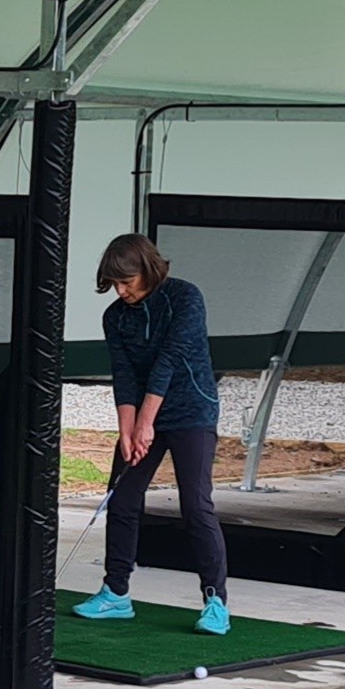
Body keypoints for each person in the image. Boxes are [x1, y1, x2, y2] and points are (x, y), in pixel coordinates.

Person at [74, 233, 232, 636]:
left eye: (127, 281)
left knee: (195, 504)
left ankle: (216, 602)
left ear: (148, 269)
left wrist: (146, 423)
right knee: (123, 498)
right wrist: (127, 431)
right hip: (144, 412)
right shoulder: (115, 317)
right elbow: (124, 376)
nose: (121, 291)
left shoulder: (185, 298)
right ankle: (115, 594)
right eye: (115, 284)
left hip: (191, 411)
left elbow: (169, 362)